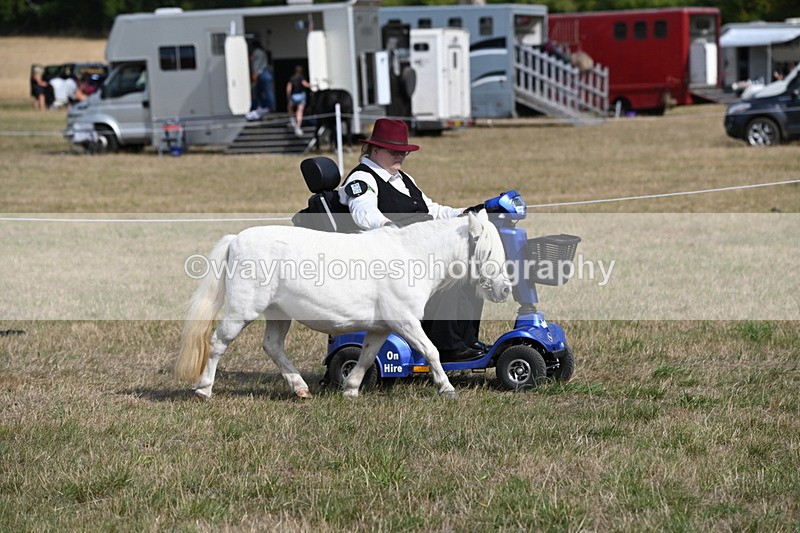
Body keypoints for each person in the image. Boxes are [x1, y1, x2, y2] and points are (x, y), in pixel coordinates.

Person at [338, 118, 488, 361]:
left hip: (415, 253)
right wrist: (386, 225)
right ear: (374, 149)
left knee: (469, 273)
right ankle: (446, 347)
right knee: (451, 275)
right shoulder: (361, 179)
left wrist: (463, 213)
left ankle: (465, 340)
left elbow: (431, 209)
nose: (400, 156)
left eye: (403, 152)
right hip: (388, 260)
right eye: (394, 151)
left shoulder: (402, 177)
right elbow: (363, 211)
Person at [249, 40, 275, 113]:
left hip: (261, 73)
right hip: (266, 72)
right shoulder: (263, 52)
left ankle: (265, 106)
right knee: (266, 91)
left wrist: (255, 73)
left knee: (262, 91)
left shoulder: (256, 52)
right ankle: (269, 106)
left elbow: (256, 63)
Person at [286, 65, 311, 137]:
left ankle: (292, 120)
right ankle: (298, 126)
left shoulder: (292, 78)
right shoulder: (301, 77)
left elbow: (288, 89)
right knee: (299, 111)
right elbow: (305, 85)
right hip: (301, 95)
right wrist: (313, 85)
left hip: (294, 95)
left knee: (290, 107)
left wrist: (288, 97)